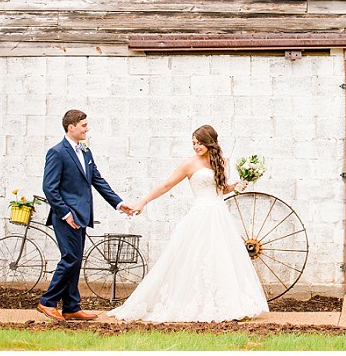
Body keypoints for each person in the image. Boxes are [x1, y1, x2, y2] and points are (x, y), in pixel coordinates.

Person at [108, 124, 269, 322]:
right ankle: (192, 303)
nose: (196, 146)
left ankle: (221, 304)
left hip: (219, 216)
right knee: (194, 259)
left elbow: (222, 189)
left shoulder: (220, 162)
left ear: (210, 143)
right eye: (193, 143)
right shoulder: (189, 164)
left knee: (221, 260)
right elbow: (166, 185)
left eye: (199, 143)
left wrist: (237, 186)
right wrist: (143, 201)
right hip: (200, 217)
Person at [37, 109, 135, 322]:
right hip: (66, 217)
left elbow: (97, 180)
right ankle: (47, 302)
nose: (87, 128)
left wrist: (119, 203)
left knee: (75, 260)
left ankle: (71, 306)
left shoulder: (86, 151)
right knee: (70, 259)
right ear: (71, 127)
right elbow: (49, 188)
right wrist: (64, 213)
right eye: (83, 125)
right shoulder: (57, 152)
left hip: (82, 215)